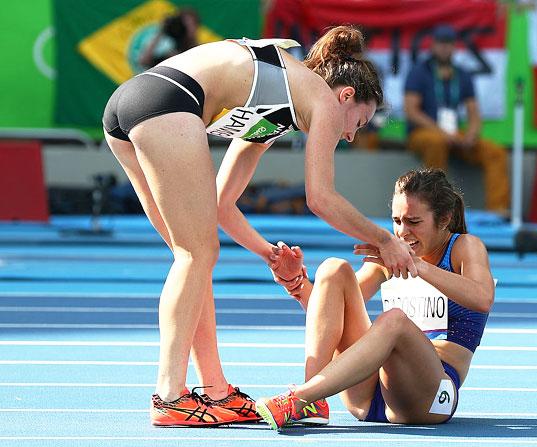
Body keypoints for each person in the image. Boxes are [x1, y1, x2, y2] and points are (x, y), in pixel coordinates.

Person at [102, 25, 417, 427]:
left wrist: (268, 253)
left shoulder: (276, 110)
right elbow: (320, 198)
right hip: (167, 100)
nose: (352, 134)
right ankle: (168, 396)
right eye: (361, 120)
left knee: (195, 262)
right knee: (195, 254)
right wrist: (384, 240)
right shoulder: (321, 99)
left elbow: (222, 203)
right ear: (346, 96)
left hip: (131, 104)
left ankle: (216, 391)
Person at [256, 168, 494, 430]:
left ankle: (300, 397)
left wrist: (417, 266)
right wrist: (296, 283)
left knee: (395, 321)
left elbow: (482, 298)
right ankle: (313, 401)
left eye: (414, 222)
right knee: (333, 269)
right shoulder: (389, 256)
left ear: (445, 218)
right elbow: (330, 313)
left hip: (431, 396)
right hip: (369, 394)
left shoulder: (464, 247)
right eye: (396, 220)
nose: (402, 232)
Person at [404, 25, 510, 215]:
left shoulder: (462, 74)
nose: (445, 48)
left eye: (449, 44)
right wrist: (442, 133)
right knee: (436, 143)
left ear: (455, 47)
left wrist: (471, 133)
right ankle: (435, 209)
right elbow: (412, 112)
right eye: (441, 44)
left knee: (495, 152)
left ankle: (498, 211)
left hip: (453, 134)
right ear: (433, 46)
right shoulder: (419, 71)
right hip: (425, 134)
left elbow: (474, 112)